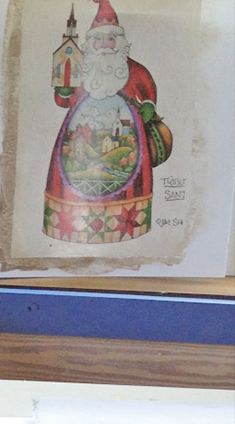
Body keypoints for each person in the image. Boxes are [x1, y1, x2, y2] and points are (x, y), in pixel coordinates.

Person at [44, 0, 167, 245]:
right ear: (90, 43)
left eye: (110, 39)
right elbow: (63, 100)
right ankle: (69, 225)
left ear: (119, 42)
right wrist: (65, 91)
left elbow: (148, 92)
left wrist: (147, 107)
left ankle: (129, 226)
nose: (103, 45)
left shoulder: (134, 70)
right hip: (80, 132)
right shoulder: (82, 67)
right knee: (72, 169)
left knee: (128, 171)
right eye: (99, 40)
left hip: (129, 135)